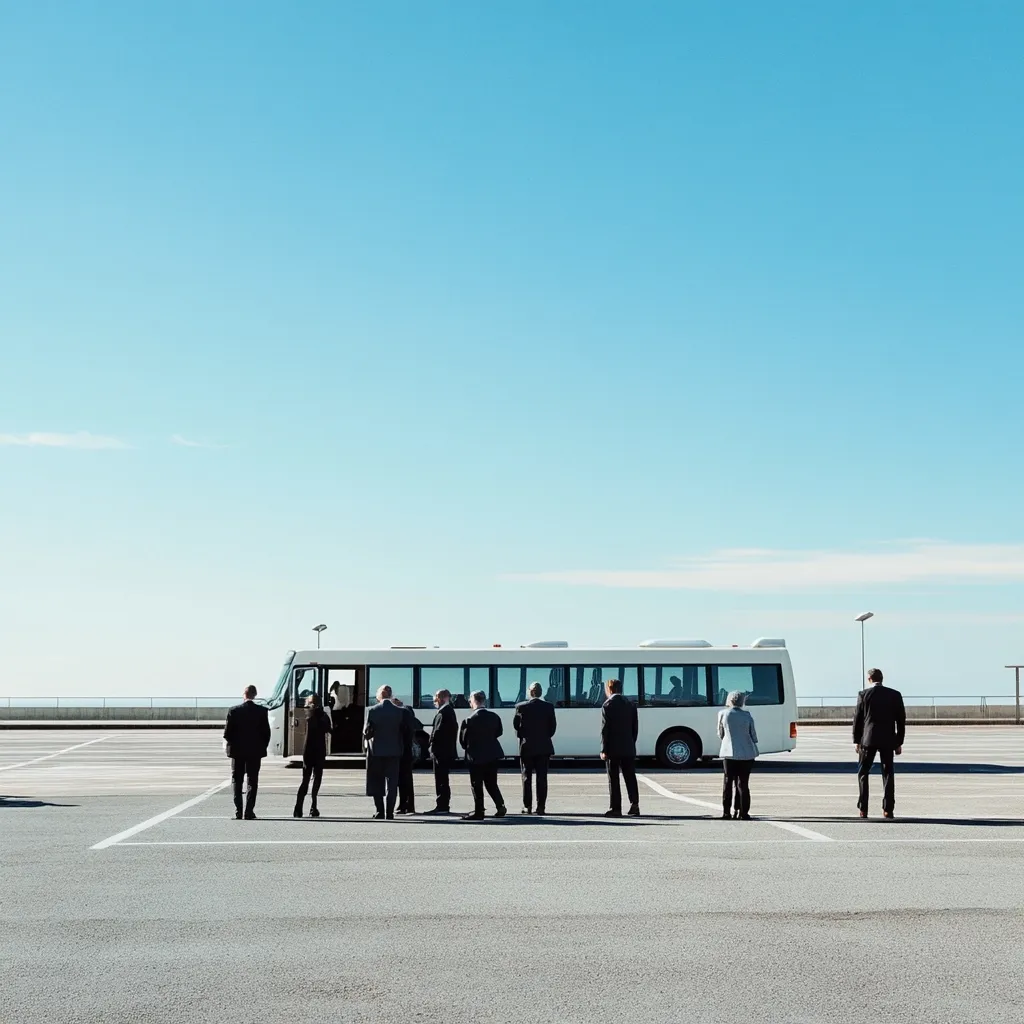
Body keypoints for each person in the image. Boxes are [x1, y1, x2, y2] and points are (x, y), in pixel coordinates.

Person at [854, 667, 906, 819]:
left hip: (868, 740)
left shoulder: (863, 694)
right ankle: (888, 809)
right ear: (882, 679)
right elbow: (901, 721)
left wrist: (856, 740)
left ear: (869, 679)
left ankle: (863, 809)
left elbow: (857, 720)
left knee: (863, 773)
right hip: (888, 739)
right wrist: (899, 742)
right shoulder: (895, 695)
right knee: (888, 774)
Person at [223, 684, 271, 820]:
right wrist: (262, 747)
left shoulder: (234, 711)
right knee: (252, 780)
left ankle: (238, 811)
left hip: (237, 752)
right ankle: (249, 811)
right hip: (255, 752)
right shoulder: (262, 711)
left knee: (237, 780)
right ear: (255, 695)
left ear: (244, 694)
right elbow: (266, 733)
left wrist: (232, 746)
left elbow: (227, 734)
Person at [458, 690, 507, 820]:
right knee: (491, 783)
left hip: (476, 756)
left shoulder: (469, 720)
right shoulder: (494, 716)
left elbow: (463, 740)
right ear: (484, 700)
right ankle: (500, 805)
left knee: (476, 784)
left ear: (473, 701)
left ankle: (479, 811)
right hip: (492, 754)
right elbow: (499, 732)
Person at [364, 685, 409, 820]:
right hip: (394, 752)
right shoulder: (400, 711)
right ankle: (390, 812)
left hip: (376, 752)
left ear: (379, 696)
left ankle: (379, 811)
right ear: (390, 695)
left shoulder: (372, 710)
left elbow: (367, 733)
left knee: (377, 782)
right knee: (392, 783)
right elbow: (405, 731)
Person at [513, 681, 557, 814]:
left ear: (530, 692)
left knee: (526, 778)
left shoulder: (520, 707)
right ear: (540, 692)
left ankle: (527, 806)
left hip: (527, 747)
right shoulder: (549, 707)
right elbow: (552, 728)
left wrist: (523, 737)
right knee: (542, 778)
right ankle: (541, 807)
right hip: (544, 747)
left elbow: (516, 727)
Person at [600, 678, 640, 817]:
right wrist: (631, 742)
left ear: (609, 689)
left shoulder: (607, 705)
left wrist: (604, 749)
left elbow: (605, 730)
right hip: (628, 746)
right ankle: (634, 805)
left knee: (614, 778)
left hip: (613, 749)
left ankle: (616, 808)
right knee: (630, 777)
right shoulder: (630, 704)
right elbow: (635, 728)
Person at [717, 691, 759, 820]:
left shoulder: (723, 714)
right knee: (743, 784)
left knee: (728, 782)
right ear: (742, 701)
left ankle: (726, 812)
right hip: (747, 753)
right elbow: (753, 735)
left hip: (729, 753)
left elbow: (720, 734)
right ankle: (743, 812)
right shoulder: (747, 715)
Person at [293, 693, 332, 818]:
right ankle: (313, 806)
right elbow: (329, 729)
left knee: (305, 779)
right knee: (317, 778)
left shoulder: (306, 714)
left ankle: (298, 808)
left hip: (308, 751)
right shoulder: (323, 715)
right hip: (319, 750)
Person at [425, 689, 458, 814]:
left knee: (441, 779)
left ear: (441, 698)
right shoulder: (448, 712)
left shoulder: (444, 712)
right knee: (442, 779)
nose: (434, 702)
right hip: (444, 751)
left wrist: (430, 741)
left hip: (441, 751)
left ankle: (442, 805)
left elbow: (438, 732)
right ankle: (442, 804)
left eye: (435, 700)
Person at [392, 697, 418, 815]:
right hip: (405, 751)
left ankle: (405, 804)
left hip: (402, 751)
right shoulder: (407, 712)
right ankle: (407, 804)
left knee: (403, 779)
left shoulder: (404, 713)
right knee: (406, 779)